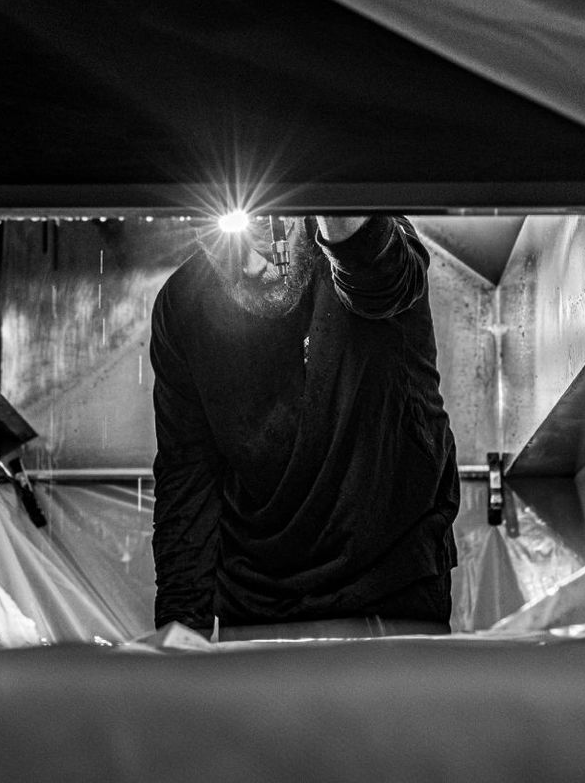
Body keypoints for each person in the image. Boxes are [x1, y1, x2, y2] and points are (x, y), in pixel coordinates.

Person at [149, 213, 459, 637]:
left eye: (260, 231)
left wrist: (325, 184)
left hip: (390, 593)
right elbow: (186, 480)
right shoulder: (182, 307)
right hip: (256, 606)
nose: (251, 267)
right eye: (219, 245)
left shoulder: (359, 240)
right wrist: (179, 635)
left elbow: (380, 277)